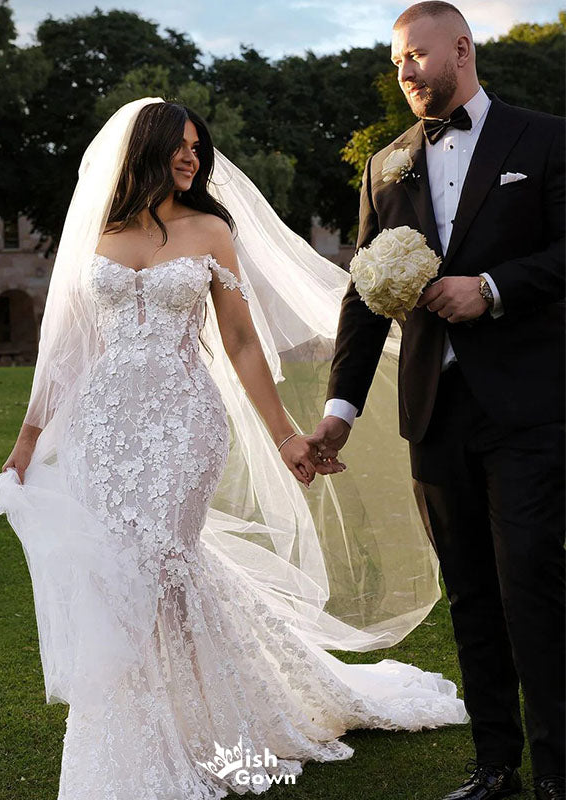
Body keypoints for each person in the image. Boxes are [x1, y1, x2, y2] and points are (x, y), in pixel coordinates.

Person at [0, 98, 466, 799]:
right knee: (120, 572)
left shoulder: (211, 230)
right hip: (104, 429)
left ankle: (185, 724)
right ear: (143, 149)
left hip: (184, 424)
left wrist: (285, 436)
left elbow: (241, 341)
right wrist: (27, 442)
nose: (191, 157)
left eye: (197, 147)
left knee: (162, 562)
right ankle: (148, 713)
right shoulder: (97, 232)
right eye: (179, 145)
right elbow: (65, 350)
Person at [309, 3, 565, 800]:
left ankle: (559, 772)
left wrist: (492, 287)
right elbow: (362, 297)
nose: (406, 72)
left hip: (528, 408)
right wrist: (340, 412)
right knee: (471, 594)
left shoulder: (546, 140)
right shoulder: (384, 165)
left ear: (461, 48)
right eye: (397, 63)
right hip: (433, 413)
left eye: (416, 55)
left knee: (533, 587)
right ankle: (496, 768)